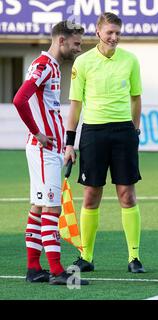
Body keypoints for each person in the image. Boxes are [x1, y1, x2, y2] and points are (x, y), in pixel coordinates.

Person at [64, 12, 145, 273]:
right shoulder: (83, 62)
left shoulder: (131, 61)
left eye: (117, 33)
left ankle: (134, 257)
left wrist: (135, 130)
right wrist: (69, 143)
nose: (114, 37)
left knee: (127, 195)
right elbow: (75, 106)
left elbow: (136, 98)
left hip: (123, 133)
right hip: (93, 133)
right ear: (98, 32)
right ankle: (86, 256)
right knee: (91, 195)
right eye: (109, 32)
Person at [12, 21, 88, 285]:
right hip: (44, 150)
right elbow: (19, 99)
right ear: (61, 40)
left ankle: (34, 268)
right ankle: (56, 271)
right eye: (76, 43)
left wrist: (64, 145)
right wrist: (38, 133)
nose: (79, 48)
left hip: (51, 149)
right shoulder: (44, 65)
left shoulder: (51, 66)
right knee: (52, 209)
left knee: (38, 207)